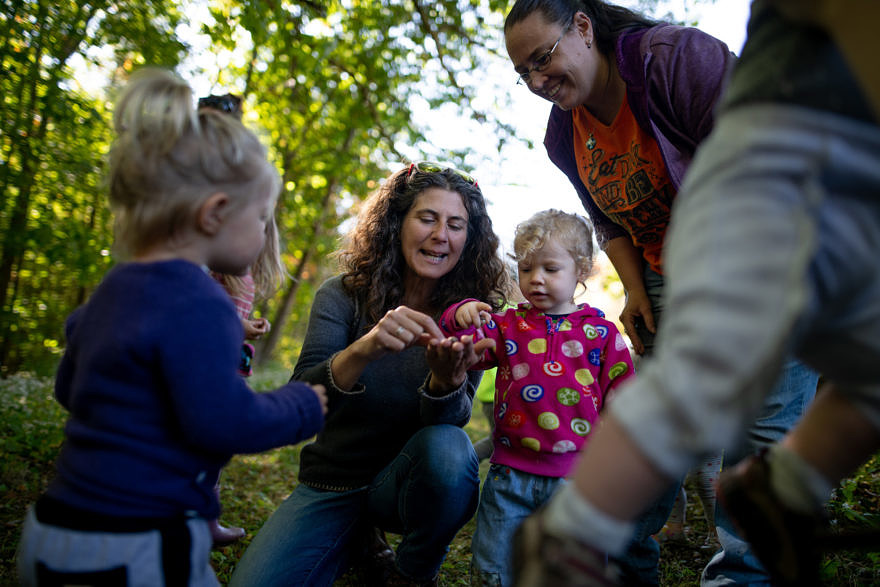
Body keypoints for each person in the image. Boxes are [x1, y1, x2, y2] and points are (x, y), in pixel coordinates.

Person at [509, 0, 880, 585]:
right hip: (683, 260)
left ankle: (741, 560)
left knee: (759, 416)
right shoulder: (565, 133)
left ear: (583, 26)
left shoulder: (670, 61)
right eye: (522, 72)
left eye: (543, 58)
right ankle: (617, 546)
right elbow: (607, 218)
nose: (535, 80)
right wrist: (636, 288)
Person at [14, 68, 327, 586]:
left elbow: (69, 387)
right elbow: (223, 421)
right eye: (261, 217)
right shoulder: (201, 302)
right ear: (215, 213)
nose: (262, 233)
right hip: (137, 545)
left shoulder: (114, 289)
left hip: (54, 531)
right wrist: (301, 407)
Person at [228, 162, 510, 586]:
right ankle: (359, 537)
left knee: (452, 448)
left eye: (456, 225)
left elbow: (444, 443)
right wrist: (365, 348)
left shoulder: (472, 315)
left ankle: (413, 575)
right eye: (427, 218)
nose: (441, 235)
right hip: (334, 484)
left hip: (403, 487)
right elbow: (300, 403)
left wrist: (444, 383)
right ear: (397, 223)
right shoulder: (342, 295)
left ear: (468, 240)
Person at [439, 209, 634, 586]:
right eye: (526, 269)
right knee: (495, 563)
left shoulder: (601, 334)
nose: (535, 279)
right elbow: (465, 342)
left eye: (550, 268)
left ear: (581, 270)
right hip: (510, 474)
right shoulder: (510, 325)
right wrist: (460, 313)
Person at [198, 91, 286, 546]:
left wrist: (244, 326)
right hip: (201, 362)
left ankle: (205, 515)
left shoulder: (240, 242)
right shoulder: (201, 233)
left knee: (217, 443)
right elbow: (194, 312)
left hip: (231, 359)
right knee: (198, 438)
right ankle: (185, 516)